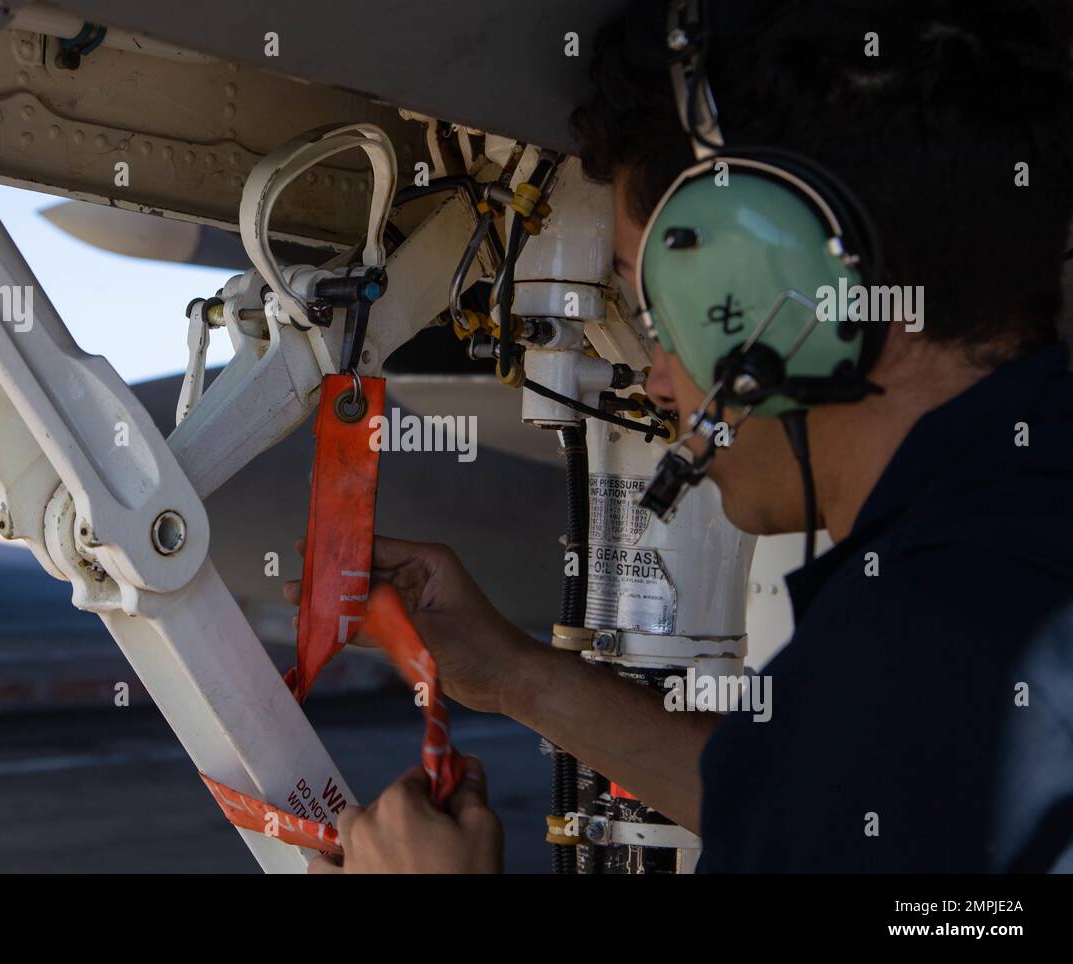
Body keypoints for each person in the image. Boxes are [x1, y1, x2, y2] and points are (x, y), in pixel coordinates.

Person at [298, 0, 1073, 873]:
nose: (657, 376)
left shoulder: (933, 654)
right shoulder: (1009, 551)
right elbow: (830, 800)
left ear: (801, 296)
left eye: (664, 310)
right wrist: (519, 676)